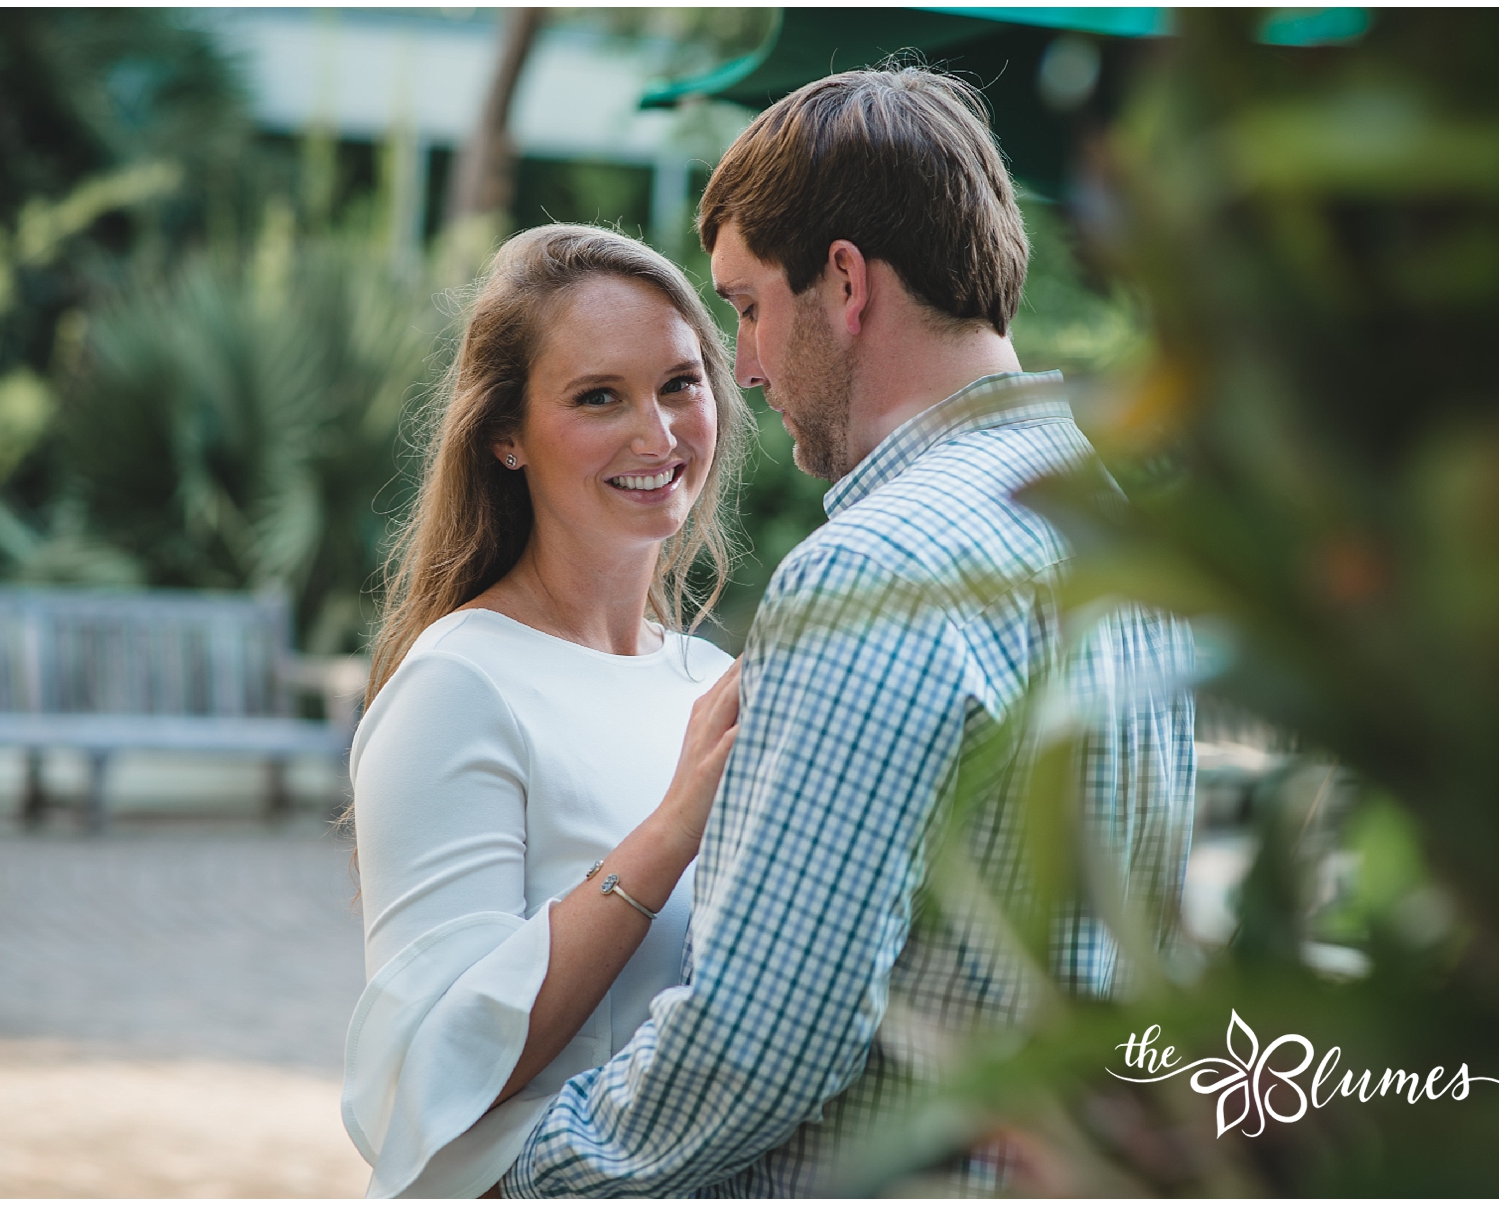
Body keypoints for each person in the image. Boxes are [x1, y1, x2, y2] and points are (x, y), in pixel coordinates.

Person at [501, 67, 1196, 1196]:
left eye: (747, 306)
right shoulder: (1111, 524)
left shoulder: (876, 571)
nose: (743, 366)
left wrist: (542, 1178)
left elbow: (764, 1037)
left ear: (842, 283)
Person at [340, 225, 753, 1198]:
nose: (656, 435)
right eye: (598, 397)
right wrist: (672, 832)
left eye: (680, 385)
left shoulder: (712, 677)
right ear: (507, 437)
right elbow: (427, 1081)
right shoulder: (460, 684)